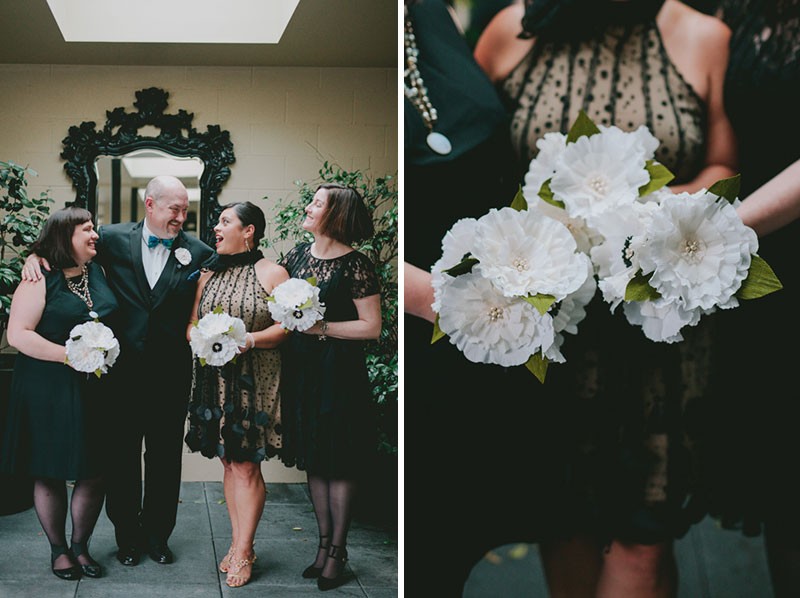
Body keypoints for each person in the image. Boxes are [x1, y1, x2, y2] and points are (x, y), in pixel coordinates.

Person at [407, 0, 737, 595]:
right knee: (565, 523)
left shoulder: (703, 35)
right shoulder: (508, 32)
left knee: (643, 539)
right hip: (551, 333)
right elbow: (473, 158)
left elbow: (723, 163)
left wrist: (646, 218)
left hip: (658, 336)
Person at [22, 174, 214, 567]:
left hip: (170, 375)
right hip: (118, 375)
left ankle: (158, 536)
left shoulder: (198, 252)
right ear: (150, 205)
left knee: (163, 459)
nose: (180, 217)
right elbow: (64, 247)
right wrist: (33, 257)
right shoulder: (109, 239)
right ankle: (127, 537)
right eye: (173, 209)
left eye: (185, 209)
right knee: (122, 458)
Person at [702, 2, 800, 596]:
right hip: (762, 279)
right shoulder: (717, 9)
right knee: (787, 484)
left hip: (744, 235)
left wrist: (720, 233)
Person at [0, 206, 118, 580]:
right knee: (49, 470)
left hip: (95, 389)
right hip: (47, 386)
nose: (94, 234)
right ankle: (59, 550)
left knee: (94, 469)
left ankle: (81, 546)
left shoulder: (97, 270)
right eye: (86, 229)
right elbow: (18, 334)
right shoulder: (39, 277)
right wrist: (72, 355)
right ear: (64, 236)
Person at [278, 183, 381, 592]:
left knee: (339, 460)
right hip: (301, 370)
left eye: (317, 203)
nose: (308, 206)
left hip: (338, 373)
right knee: (316, 458)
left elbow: (371, 327)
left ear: (335, 213)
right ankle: (322, 546)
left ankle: (338, 551)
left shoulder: (357, 265)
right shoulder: (297, 256)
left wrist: (320, 327)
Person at [183, 201, 289, 588]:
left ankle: (244, 550)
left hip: (255, 380)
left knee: (246, 465)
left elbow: (286, 327)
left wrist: (246, 340)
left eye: (225, 221)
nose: (216, 227)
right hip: (215, 381)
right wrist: (200, 337)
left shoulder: (272, 272)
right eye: (217, 221)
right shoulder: (207, 274)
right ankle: (237, 540)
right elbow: (191, 322)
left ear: (249, 231)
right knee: (228, 462)